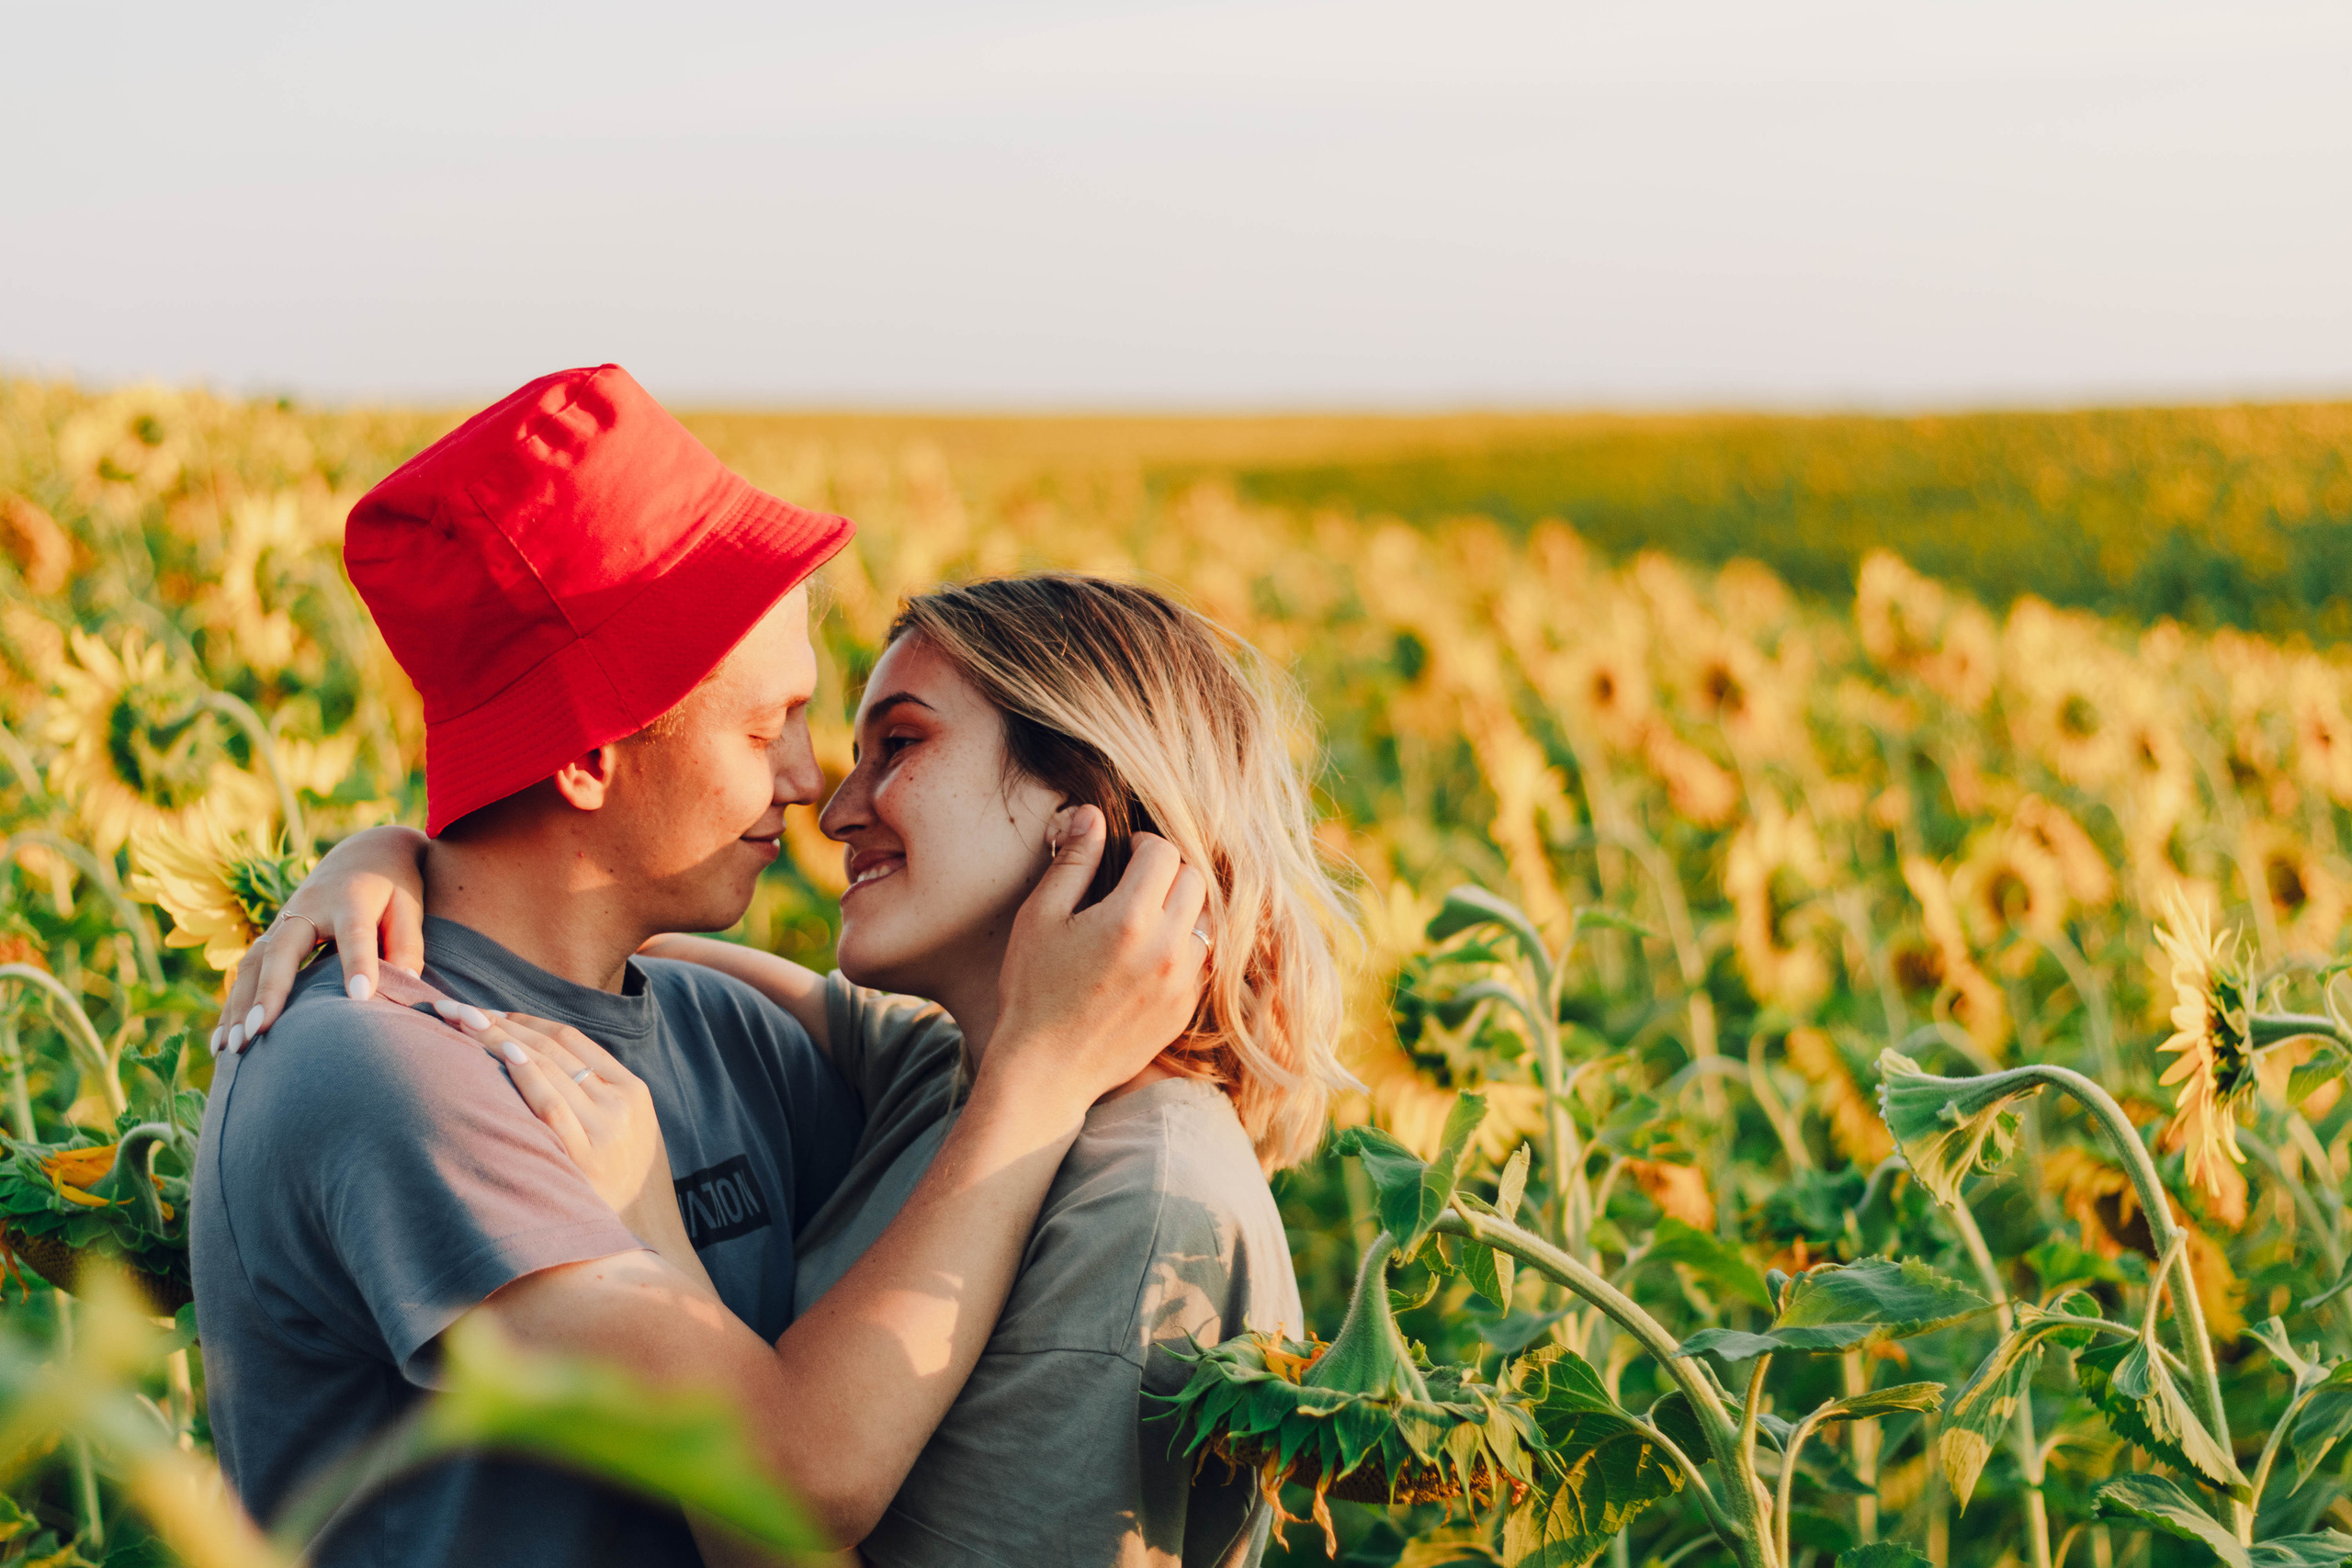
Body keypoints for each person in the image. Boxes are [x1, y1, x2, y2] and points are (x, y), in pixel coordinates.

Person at [194, 366, 1208, 1568]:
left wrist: (391, 848)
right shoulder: (390, 1074)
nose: (809, 779)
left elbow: (945, 1125)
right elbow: (786, 1491)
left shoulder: (729, 1035)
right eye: (761, 724)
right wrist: (1037, 1080)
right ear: (588, 752)